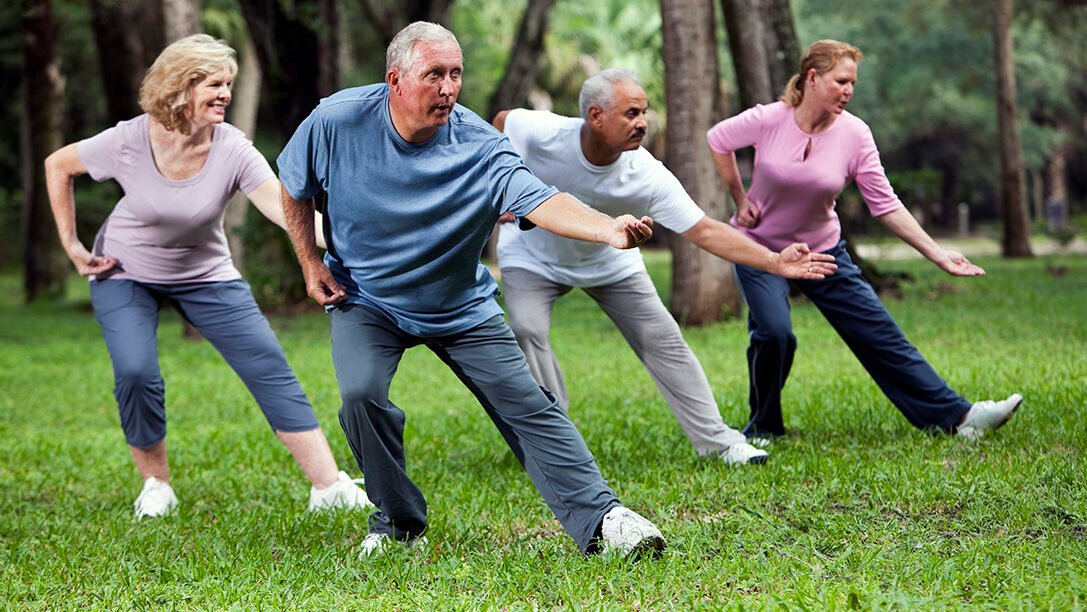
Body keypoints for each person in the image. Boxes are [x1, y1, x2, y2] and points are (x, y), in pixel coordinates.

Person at [277, 22, 666, 559]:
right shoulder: (337, 120)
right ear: (395, 79)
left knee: (530, 405)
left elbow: (541, 198)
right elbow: (293, 184)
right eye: (434, 74)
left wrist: (608, 228)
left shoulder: (481, 145)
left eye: (456, 73)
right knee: (360, 395)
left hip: (458, 305)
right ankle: (397, 522)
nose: (449, 87)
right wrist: (309, 261)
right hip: (366, 296)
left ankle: (605, 519)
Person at [44, 34, 371, 519]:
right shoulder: (129, 139)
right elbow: (58, 165)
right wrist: (72, 244)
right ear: (180, 86)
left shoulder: (233, 149)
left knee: (269, 366)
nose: (225, 93)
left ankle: (328, 485)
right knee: (136, 372)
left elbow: (286, 211)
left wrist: (361, 239)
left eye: (229, 84)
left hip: (205, 272)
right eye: (213, 84)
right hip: (125, 270)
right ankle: (156, 484)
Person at [492, 69, 839, 466]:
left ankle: (720, 442)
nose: (642, 122)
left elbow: (706, 231)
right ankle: (555, 445)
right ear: (595, 116)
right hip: (533, 256)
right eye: (631, 113)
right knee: (527, 329)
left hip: (611, 260)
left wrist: (775, 260)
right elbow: (502, 121)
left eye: (645, 112)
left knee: (665, 341)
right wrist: (500, 184)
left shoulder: (646, 174)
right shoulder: (544, 131)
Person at [705, 39, 1022, 442]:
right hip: (761, 249)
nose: (849, 91)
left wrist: (938, 254)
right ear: (813, 78)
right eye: (841, 81)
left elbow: (885, 204)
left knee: (880, 335)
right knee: (774, 333)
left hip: (823, 251)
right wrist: (740, 197)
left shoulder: (855, 134)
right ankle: (764, 426)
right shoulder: (769, 119)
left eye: (853, 83)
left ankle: (960, 419)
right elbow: (718, 139)